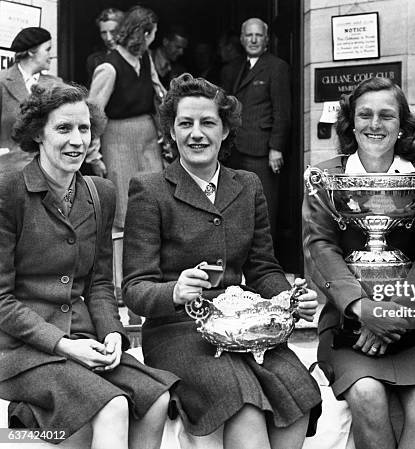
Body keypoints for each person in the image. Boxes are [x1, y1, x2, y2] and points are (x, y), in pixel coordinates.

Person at [122, 73, 321, 449]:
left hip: (244, 326)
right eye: (185, 123)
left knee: (299, 391)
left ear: (226, 130)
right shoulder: (149, 190)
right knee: (242, 403)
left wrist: (288, 299)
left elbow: (262, 267)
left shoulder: (247, 185)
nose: (196, 134)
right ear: (172, 131)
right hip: (178, 331)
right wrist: (175, 291)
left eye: (208, 123)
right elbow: (135, 289)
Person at [0, 82, 178, 448]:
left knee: (155, 399)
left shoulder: (100, 193)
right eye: (64, 128)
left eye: (84, 128)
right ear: (38, 132)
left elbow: (98, 283)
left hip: (84, 340)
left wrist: (113, 332)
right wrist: (63, 345)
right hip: (19, 350)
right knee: (113, 405)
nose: (77, 140)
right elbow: (1, 300)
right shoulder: (10, 192)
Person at [303, 76, 415, 449]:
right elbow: (319, 246)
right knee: (367, 395)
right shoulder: (326, 177)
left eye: (387, 115)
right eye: (365, 114)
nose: (375, 124)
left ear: (402, 125)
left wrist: (395, 310)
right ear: (351, 122)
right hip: (345, 327)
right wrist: (362, 307)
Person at [89, 6, 164, 231]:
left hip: (148, 140)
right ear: (145, 34)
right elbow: (93, 114)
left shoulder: (146, 58)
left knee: (153, 201)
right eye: (154, 34)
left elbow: (160, 94)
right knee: (124, 209)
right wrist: (94, 156)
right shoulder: (109, 67)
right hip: (118, 142)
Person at [223, 18, 291, 243]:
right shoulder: (233, 68)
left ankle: (266, 264)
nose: (253, 40)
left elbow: (282, 111)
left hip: (262, 152)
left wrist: (276, 148)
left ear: (266, 40)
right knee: (235, 207)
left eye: (258, 35)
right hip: (235, 151)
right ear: (242, 39)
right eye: (249, 35)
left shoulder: (276, 67)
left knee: (265, 209)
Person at [0, 28, 102, 175]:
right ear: (31, 51)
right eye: (47, 50)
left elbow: (80, 120)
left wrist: (94, 157)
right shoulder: (3, 81)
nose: (51, 56)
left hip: (48, 170)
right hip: (10, 170)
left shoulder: (56, 84)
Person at [85, 8, 125, 84]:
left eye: (113, 32)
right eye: (104, 33)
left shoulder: (136, 58)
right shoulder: (94, 60)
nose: (108, 38)